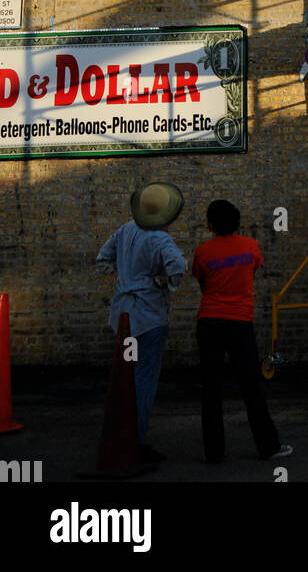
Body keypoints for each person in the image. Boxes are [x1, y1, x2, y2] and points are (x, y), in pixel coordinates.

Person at [192, 199, 292, 464]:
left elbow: (203, 283)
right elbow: (251, 273)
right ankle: (268, 447)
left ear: (210, 224)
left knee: (211, 389)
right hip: (240, 322)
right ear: (236, 221)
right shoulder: (251, 246)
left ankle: (213, 452)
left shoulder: (202, 251)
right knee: (251, 387)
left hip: (210, 322)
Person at [95, 181, 187, 463]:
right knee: (143, 381)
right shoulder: (160, 239)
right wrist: (159, 282)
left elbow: (102, 260)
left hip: (123, 318)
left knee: (125, 377)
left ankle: (120, 435)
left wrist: (125, 278)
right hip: (148, 317)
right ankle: (136, 440)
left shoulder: (124, 230)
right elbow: (178, 269)